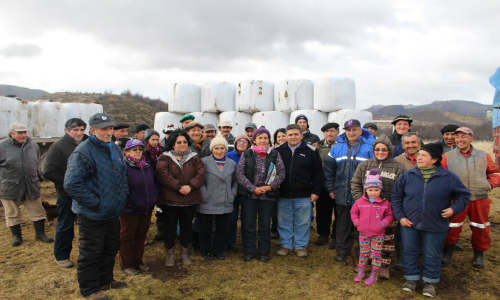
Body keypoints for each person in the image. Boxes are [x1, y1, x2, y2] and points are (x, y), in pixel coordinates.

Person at [391, 142, 470, 298]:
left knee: (432, 253)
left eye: (423, 155)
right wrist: (401, 217)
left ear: (434, 159)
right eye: (419, 155)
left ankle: (430, 282)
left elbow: (463, 196)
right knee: (409, 251)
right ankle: (411, 279)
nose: (419, 158)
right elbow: (396, 197)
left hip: (435, 224)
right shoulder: (408, 175)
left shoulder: (448, 177)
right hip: (409, 223)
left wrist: (453, 209)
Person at [64, 113, 129, 299]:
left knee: (110, 247)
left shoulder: (114, 149)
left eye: (110, 128)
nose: (109, 132)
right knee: (91, 252)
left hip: (112, 212)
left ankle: (106, 280)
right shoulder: (83, 152)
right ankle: (90, 290)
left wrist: (122, 197)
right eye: (104, 129)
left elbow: (121, 175)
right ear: (92, 131)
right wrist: (96, 203)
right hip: (92, 214)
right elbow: (72, 184)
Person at [441, 127, 500, 269]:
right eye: (457, 137)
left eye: (464, 136)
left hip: (479, 197)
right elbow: (441, 176)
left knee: (481, 226)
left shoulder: (483, 156)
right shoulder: (447, 157)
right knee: (452, 227)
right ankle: (447, 252)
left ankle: (479, 254)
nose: (460, 140)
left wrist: (489, 185)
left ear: (471, 138)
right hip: (456, 199)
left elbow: (495, 173)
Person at [351, 134, 406, 279]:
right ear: (373, 150)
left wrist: (393, 207)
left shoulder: (398, 167)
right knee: (365, 238)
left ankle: (384, 266)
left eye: (384, 149)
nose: (380, 152)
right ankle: (366, 263)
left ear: (389, 150)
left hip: (387, 211)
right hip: (366, 210)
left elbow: (402, 190)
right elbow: (355, 183)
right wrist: (361, 202)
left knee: (387, 239)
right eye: (377, 149)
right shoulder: (364, 165)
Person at [324, 119, 375, 262]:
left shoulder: (370, 147)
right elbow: (329, 171)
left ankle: (361, 252)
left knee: (363, 225)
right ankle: (342, 251)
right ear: (344, 132)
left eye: (354, 129)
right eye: (348, 130)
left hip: (363, 194)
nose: (351, 133)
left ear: (360, 130)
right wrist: (331, 188)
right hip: (341, 192)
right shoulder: (336, 148)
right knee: (343, 223)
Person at [236, 126, 285, 262]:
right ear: (254, 140)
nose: (263, 140)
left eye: (265, 138)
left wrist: (270, 187)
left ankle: (264, 252)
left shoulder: (274, 154)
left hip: (267, 196)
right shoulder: (247, 154)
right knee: (249, 224)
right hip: (249, 195)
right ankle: (249, 251)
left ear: (269, 140)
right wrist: (252, 188)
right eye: (260, 138)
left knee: (264, 225)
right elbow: (239, 174)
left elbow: (281, 173)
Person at [156, 129, 205, 266]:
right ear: (172, 144)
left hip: (190, 199)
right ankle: (170, 254)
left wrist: (190, 186)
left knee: (187, 227)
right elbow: (163, 175)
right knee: (170, 228)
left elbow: (200, 174)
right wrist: (179, 187)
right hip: (170, 200)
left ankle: (185, 253)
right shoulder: (164, 157)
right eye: (179, 142)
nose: (182, 144)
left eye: (184, 142)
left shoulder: (194, 157)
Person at [43, 118, 87, 268]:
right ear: (66, 130)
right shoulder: (58, 147)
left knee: (88, 224)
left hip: (86, 192)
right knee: (66, 224)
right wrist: (68, 183)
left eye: (82, 129)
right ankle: (61, 256)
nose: (79, 133)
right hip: (66, 193)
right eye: (75, 130)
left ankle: (89, 253)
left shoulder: (87, 143)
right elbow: (48, 171)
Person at [0, 122, 54, 247]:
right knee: (12, 213)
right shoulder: (2, 147)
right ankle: (16, 237)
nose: (23, 135)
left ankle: (40, 234)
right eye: (20, 132)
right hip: (9, 187)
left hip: (31, 185)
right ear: (11, 133)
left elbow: (35, 163)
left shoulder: (33, 145)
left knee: (38, 211)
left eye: (25, 132)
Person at [275, 124, 323, 258]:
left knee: (303, 221)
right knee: (284, 220)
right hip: (283, 194)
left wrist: (316, 192)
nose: (293, 137)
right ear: (286, 136)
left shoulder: (311, 151)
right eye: (290, 134)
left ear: (301, 135)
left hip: (304, 194)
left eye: (296, 134)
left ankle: (300, 245)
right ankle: (285, 245)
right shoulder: (278, 151)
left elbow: (318, 174)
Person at [119, 139, 158, 276]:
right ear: (127, 151)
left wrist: (153, 198)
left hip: (146, 207)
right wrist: (127, 202)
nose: (137, 152)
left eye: (140, 149)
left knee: (141, 235)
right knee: (127, 236)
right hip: (129, 208)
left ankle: (138, 261)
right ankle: (126, 264)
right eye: (134, 149)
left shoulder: (147, 166)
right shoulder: (123, 166)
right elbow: (120, 187)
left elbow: (153, 183)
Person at [351, 169, 394, 285]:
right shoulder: (360, 202)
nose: (373, 193)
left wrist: (383, 224)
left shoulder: (385, 203)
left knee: (376, 254)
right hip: (363, 233)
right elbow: (353, 212)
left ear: (381, 190)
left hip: (378, 234)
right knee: (363, 253)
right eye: (370, 190)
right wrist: (357, 222)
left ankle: (374, 274)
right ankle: (361, 272)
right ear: (366, 190)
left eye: (376, 190)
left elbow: (390, 215)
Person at [198, 134, 238, 260]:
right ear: (212, 149)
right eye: (216, 148)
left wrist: (232, 194)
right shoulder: (204, 162)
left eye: (222, 148)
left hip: (225, 199)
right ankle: (206, 251)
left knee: (222, 228)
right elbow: (199, 181)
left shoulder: (232, 164)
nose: (219, 151)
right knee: (205, 228)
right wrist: (204, 193)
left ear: (226, 149)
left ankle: (219, 250)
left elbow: (235, 182)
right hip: (207, 199)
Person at [313, 122, 340, 248]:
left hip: (339, 185)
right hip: (322, 185)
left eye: (332, 131)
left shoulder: (342, 146)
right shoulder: (317, 147)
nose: (330, 133)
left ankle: (336, 236)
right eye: (327, 131)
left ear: (337, 133)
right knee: (323, 212)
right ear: (323, 133)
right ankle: (323, 234)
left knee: (339, 213)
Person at [226, 134, 252, 249]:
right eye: (239, 141)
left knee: (247, 220)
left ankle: (247, 243)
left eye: (244, 141)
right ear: (235, 143)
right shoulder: (228, 156)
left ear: (249, 144)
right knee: (231, 219)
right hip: (232, 191)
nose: (241, 143)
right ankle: (229, 242)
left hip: (247, 192)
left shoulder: (252, 156)